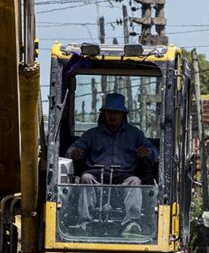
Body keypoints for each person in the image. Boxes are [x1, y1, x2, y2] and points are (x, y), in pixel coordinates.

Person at [67, 93, 158, 224]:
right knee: (86, 178)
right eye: (109, 112)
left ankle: (132, 223)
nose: (112, 116)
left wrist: (147, 151)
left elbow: (156, 153)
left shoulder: (135, 134)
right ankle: (84, 223)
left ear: (123, 114)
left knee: (135, 181)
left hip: (124, 177)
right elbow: (70, 150)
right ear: (104, 114)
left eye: (116, 112)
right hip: (97, 175)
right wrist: (75, 151)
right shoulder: (92, 134)